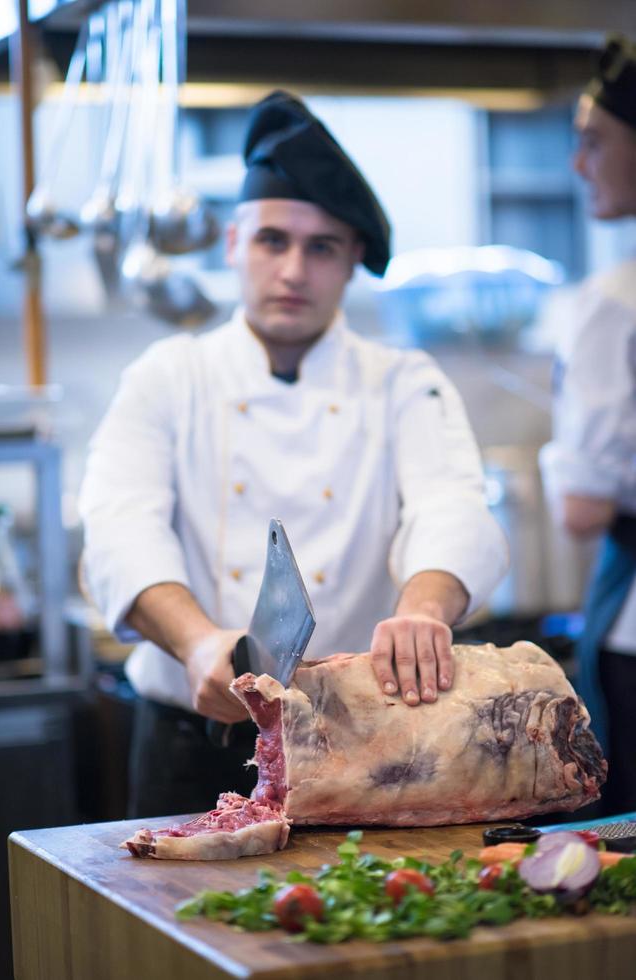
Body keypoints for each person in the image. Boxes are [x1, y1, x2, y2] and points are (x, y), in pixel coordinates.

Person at [79, 90, 508, 818]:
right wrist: (194, 644)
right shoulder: (167, 375)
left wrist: (423, 608)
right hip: (195, 742)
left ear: (352, 262)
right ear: (232, 244)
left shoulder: (404, 381)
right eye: (273, 240)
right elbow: (120, 526)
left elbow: (452, 504)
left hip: (365, 742)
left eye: (322, 247)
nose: (292, 270)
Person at [539, 34, 636, 815]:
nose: (579, 164)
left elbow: (582, 511)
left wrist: (556, 452)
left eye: (594, 141)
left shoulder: (612, 303)